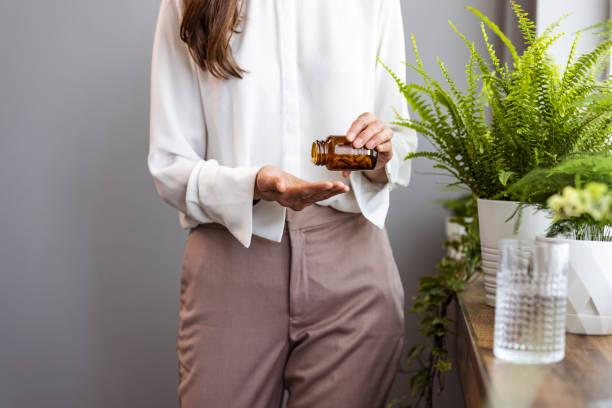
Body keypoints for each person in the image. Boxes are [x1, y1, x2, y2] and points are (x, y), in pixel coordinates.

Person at [147, 0, 418, 406]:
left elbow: (400, 143)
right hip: (232, 259)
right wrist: (255, 184)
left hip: (352, 270)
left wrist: (381, 151)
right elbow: (170, 165)